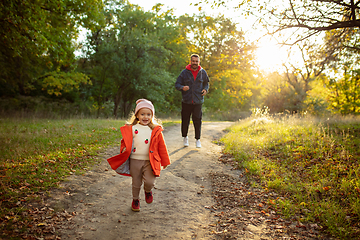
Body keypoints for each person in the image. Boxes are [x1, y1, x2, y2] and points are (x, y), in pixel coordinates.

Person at [107, 99, 170, 212]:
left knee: (149, 181)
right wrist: (124, 150)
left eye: (148, 114)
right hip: (135, 160)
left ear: (152, 115)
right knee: (136, 182)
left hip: (149, 161)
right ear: (137, 115)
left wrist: (165, 161)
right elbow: (124, 142)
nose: (145, 117)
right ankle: (135, 200)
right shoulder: (132, 129)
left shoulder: (155, 130)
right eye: (142, 114)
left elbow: (162, 147)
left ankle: (147, 191)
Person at [175, 54, 210, 148]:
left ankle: (197, 139)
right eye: (193, 61)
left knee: (197, 120)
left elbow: (206, 83)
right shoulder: (184, 73)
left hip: (198, 101)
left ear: (199, 62)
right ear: (190, 62)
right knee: (185, 120)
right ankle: (185, 137)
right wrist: (182, 87)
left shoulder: (203, 72)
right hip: (186, 101)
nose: (194, 63)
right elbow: (177, 84)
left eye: (196, 61)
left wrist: (205, 90)